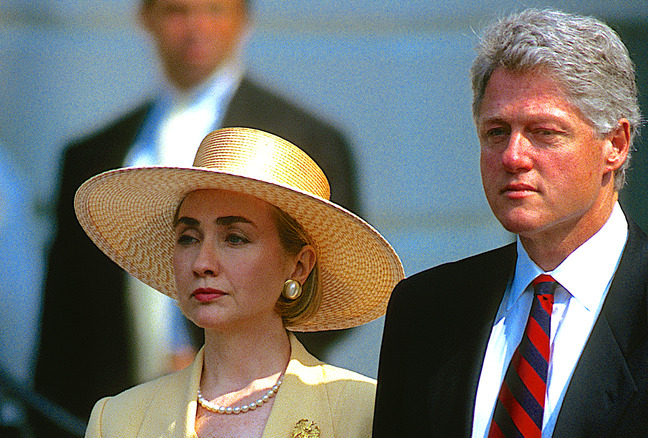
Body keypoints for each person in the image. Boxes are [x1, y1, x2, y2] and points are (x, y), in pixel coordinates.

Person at [373, 8, 648, 438]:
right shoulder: (426, 312)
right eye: (496, 131)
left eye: (544, 132)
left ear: (616, 145)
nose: (513, 156)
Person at [34, 0, 359, 431]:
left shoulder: (305, 138)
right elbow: (62, 324)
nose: (195, 27)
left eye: (213, 9)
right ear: (146, 18)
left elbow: (332, 278)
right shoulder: (92, 154)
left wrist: (231, 357)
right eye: (176, 10)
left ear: (243, 18)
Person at [76, 127, 403, 436]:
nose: (202, 263)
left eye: (234, 238)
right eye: (188, 238)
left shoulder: (363, 413)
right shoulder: (120, 420)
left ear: (299, 266)